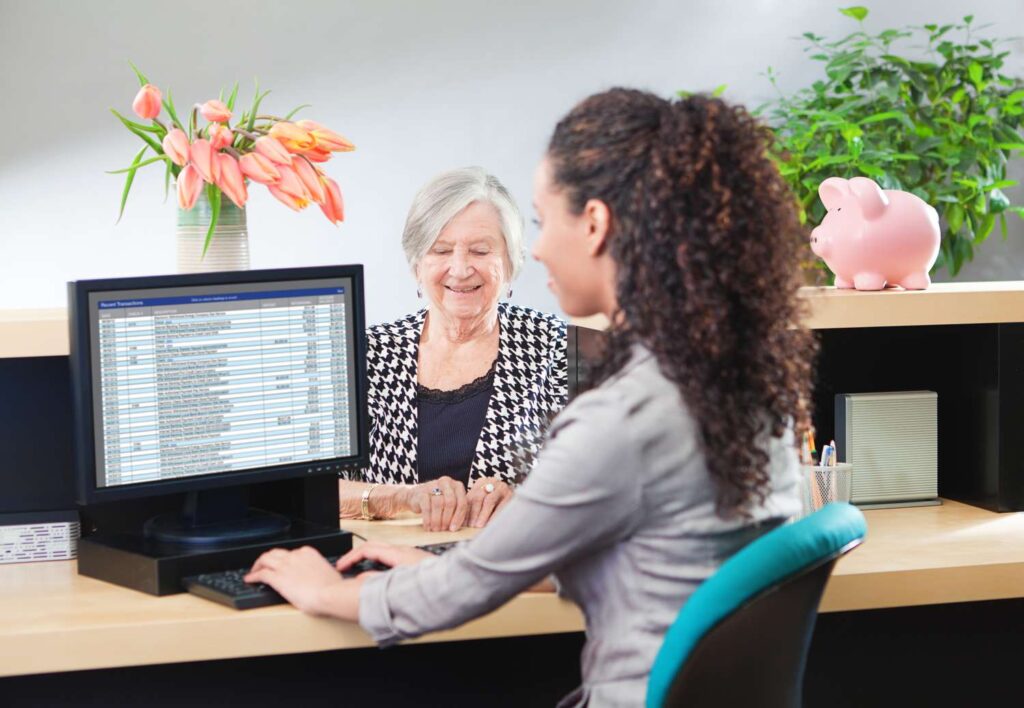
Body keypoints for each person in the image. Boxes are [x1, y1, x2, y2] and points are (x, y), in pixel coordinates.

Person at [247, 89, 817, 706]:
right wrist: (448, 564)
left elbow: (460, 594)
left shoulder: (622, 415)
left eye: (543, 223)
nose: (538, 248)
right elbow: (646, 558)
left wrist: (323, 589)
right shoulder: (721, 379)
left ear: (594, 224)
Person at [339, 167, 567, 531]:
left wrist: (529, 502)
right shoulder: (365, 353)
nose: (460, 269)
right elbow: (307, 491)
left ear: (511, 262)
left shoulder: (560, 345)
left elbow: (613, 482)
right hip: (391, 556)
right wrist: (399, 498)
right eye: (441, 250)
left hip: (512, 557)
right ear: (417, 265)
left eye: (480, 250)